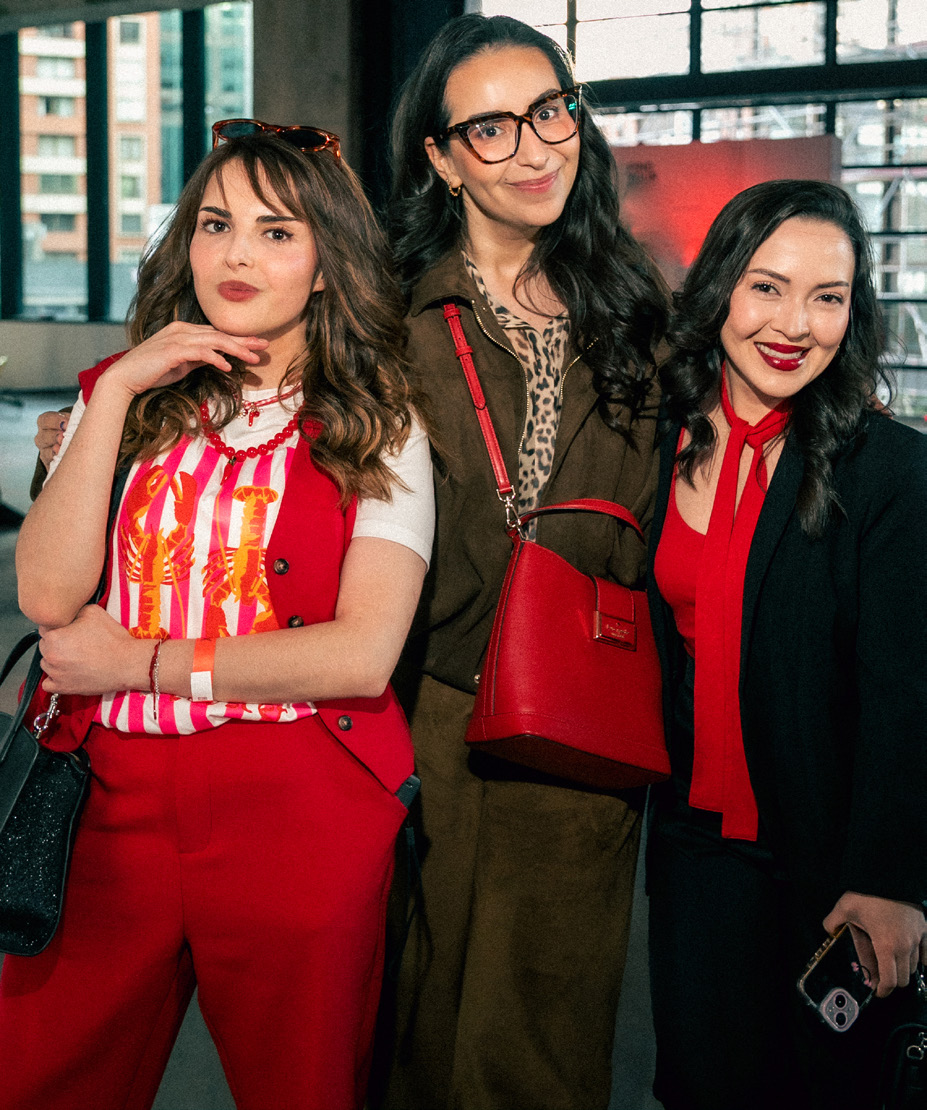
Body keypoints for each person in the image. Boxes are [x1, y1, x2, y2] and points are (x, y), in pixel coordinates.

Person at [3, 123, 434, 1110]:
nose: (236, 253)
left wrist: (139, 662)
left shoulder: (381, 419)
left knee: (302, 1087)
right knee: (41, 1075)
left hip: (296, 803)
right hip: (108, 800)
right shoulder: (133, 402)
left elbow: (362, 653)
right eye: (215, 224)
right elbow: (45, 595)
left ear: (329, 264)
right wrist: (113, 389)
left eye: (278, 232)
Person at [375, 14, 667, 1110]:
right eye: (489, 129)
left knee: (545, 1033)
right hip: (425, 707)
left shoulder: (637, 312)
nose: (534, 147)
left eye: (549, 112)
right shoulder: (392, 315)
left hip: (587, 709)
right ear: (442, 160)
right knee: (410, 1014)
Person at [646, 178, 927, 1110]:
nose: (794, 323)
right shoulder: (658, 444)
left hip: (828, 859)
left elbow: (907, 694)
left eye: (827, 296)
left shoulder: (891, 472)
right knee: (697, 1085)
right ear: (720, 285)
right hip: (694, 851)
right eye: (766, 286)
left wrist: (889, 881)